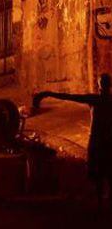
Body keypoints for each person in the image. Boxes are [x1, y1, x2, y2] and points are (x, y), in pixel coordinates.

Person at [33, 73, 112, 209]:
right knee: (109, 171)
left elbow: (69, 97)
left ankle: (100, 203)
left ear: (99, 86)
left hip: (96, 140)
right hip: (109, 141)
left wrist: (48, 93)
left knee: (98, 172)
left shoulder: (94, 99)